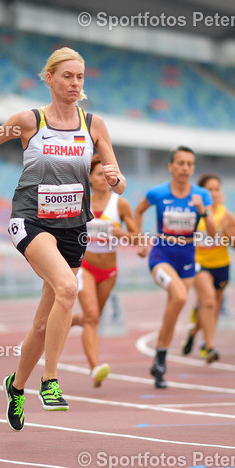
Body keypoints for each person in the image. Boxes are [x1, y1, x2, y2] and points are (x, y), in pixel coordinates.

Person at [0, 47, 125, 431]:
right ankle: (50, 380)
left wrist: (116, 179)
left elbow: (119, 180)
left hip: (73, 227)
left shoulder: (94, 125)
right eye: (67, 76)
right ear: (49, 78)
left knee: (43, 323)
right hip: (31, 221)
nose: (75, 83)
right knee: (68, 288)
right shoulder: (29, 121)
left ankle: (16, 386)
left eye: (80, 77)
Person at [134, 146, 217, 388]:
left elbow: (213, 234)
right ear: (171, 166)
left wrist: (203, 212)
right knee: (180, 297)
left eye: (189, 164)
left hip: (187, 259)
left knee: (175, 307)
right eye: (180, 163)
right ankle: (161, 358)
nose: (185, 168)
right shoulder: (158, 193)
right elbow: (138, 211)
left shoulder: (202, 195)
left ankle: (159, 360)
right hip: (161, 255)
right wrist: (139, 241)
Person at [71, 154, 139, 387]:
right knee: (91, 316)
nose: (104, 179)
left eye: (107, 175)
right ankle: (94, 368)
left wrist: (123, 235)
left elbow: (136, 237)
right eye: (99, 174)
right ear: (90, 177)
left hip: (109, 271)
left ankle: (68, 321)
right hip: (85, 265)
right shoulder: (82, 202)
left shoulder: (120, 205)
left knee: (91, 317)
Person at [182, 173, 235, 360]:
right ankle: (208, 347)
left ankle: (194, 332)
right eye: (209, 189)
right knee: (208, 302)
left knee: (213, 307)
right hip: (199, 263)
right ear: (202, 193)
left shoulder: (227, 216)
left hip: (221, 265)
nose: (214, 193)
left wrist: (230, 233)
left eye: (217, 189)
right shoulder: (194, 213)